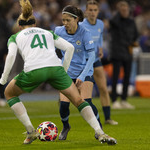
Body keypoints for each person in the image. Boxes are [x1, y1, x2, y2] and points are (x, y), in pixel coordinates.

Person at [0, 0, 116, 145]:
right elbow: (69, 48)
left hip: (34, 70)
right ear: (34, 24)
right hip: (55, 69)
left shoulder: (15, 37)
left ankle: (31, 131)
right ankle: (101, 133)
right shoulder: (47, 32)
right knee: (79, 100)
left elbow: (12, 57)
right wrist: (63, 72)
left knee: (9, 93)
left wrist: (2, 81)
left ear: (19, 26)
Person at [55, 5, 103, 140]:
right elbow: (50, 48)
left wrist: (82, 75)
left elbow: (92, 56)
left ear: (76, 19)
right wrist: (59, 63)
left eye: (68, 20)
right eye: (63, 20)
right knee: (63, 104)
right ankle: (66, 126)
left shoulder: (85, 32)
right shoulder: (58, 31)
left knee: (86, 101)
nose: (64, 23)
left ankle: (99, 130)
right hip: (67, 73)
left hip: (85, 70)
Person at [80, 0, 118, 125]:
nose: (92, 12)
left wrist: (100, 47)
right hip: (83, 63)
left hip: (96, 61)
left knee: (103, 88)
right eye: (90, 10)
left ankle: (107, 118)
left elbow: (100, 37)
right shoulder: (81, 26)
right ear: (86, 12)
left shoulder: (100, 24)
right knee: (81, 94)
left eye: (95, 10)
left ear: (98, 12)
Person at [109, 0, 138, 109]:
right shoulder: (115, 21)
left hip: (127, 52)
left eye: (126, 9)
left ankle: (124, 99)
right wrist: (118, 12)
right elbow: (112, 21)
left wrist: (132, 44)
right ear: (119, 10)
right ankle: (115, 100)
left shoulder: (131, 22)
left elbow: (136, 35)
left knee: (127, 76)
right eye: (122, 9)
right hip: (117, 52)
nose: (125, 11)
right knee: (115, 77)